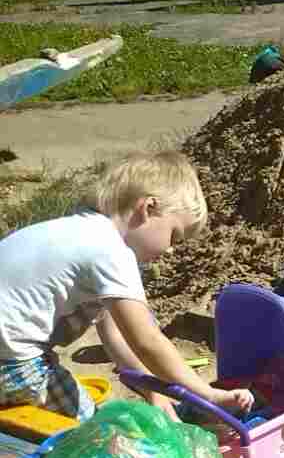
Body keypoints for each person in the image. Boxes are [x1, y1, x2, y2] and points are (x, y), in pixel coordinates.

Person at [0, 152, 253, 422]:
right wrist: (208, 394)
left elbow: (117, 337)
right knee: (91, 434)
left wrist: (154, 392)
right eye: (174, 235)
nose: (169, 251)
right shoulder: (111, 250)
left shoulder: (77, 229)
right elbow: (147, 341)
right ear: (148, 208)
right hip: (12, 365)